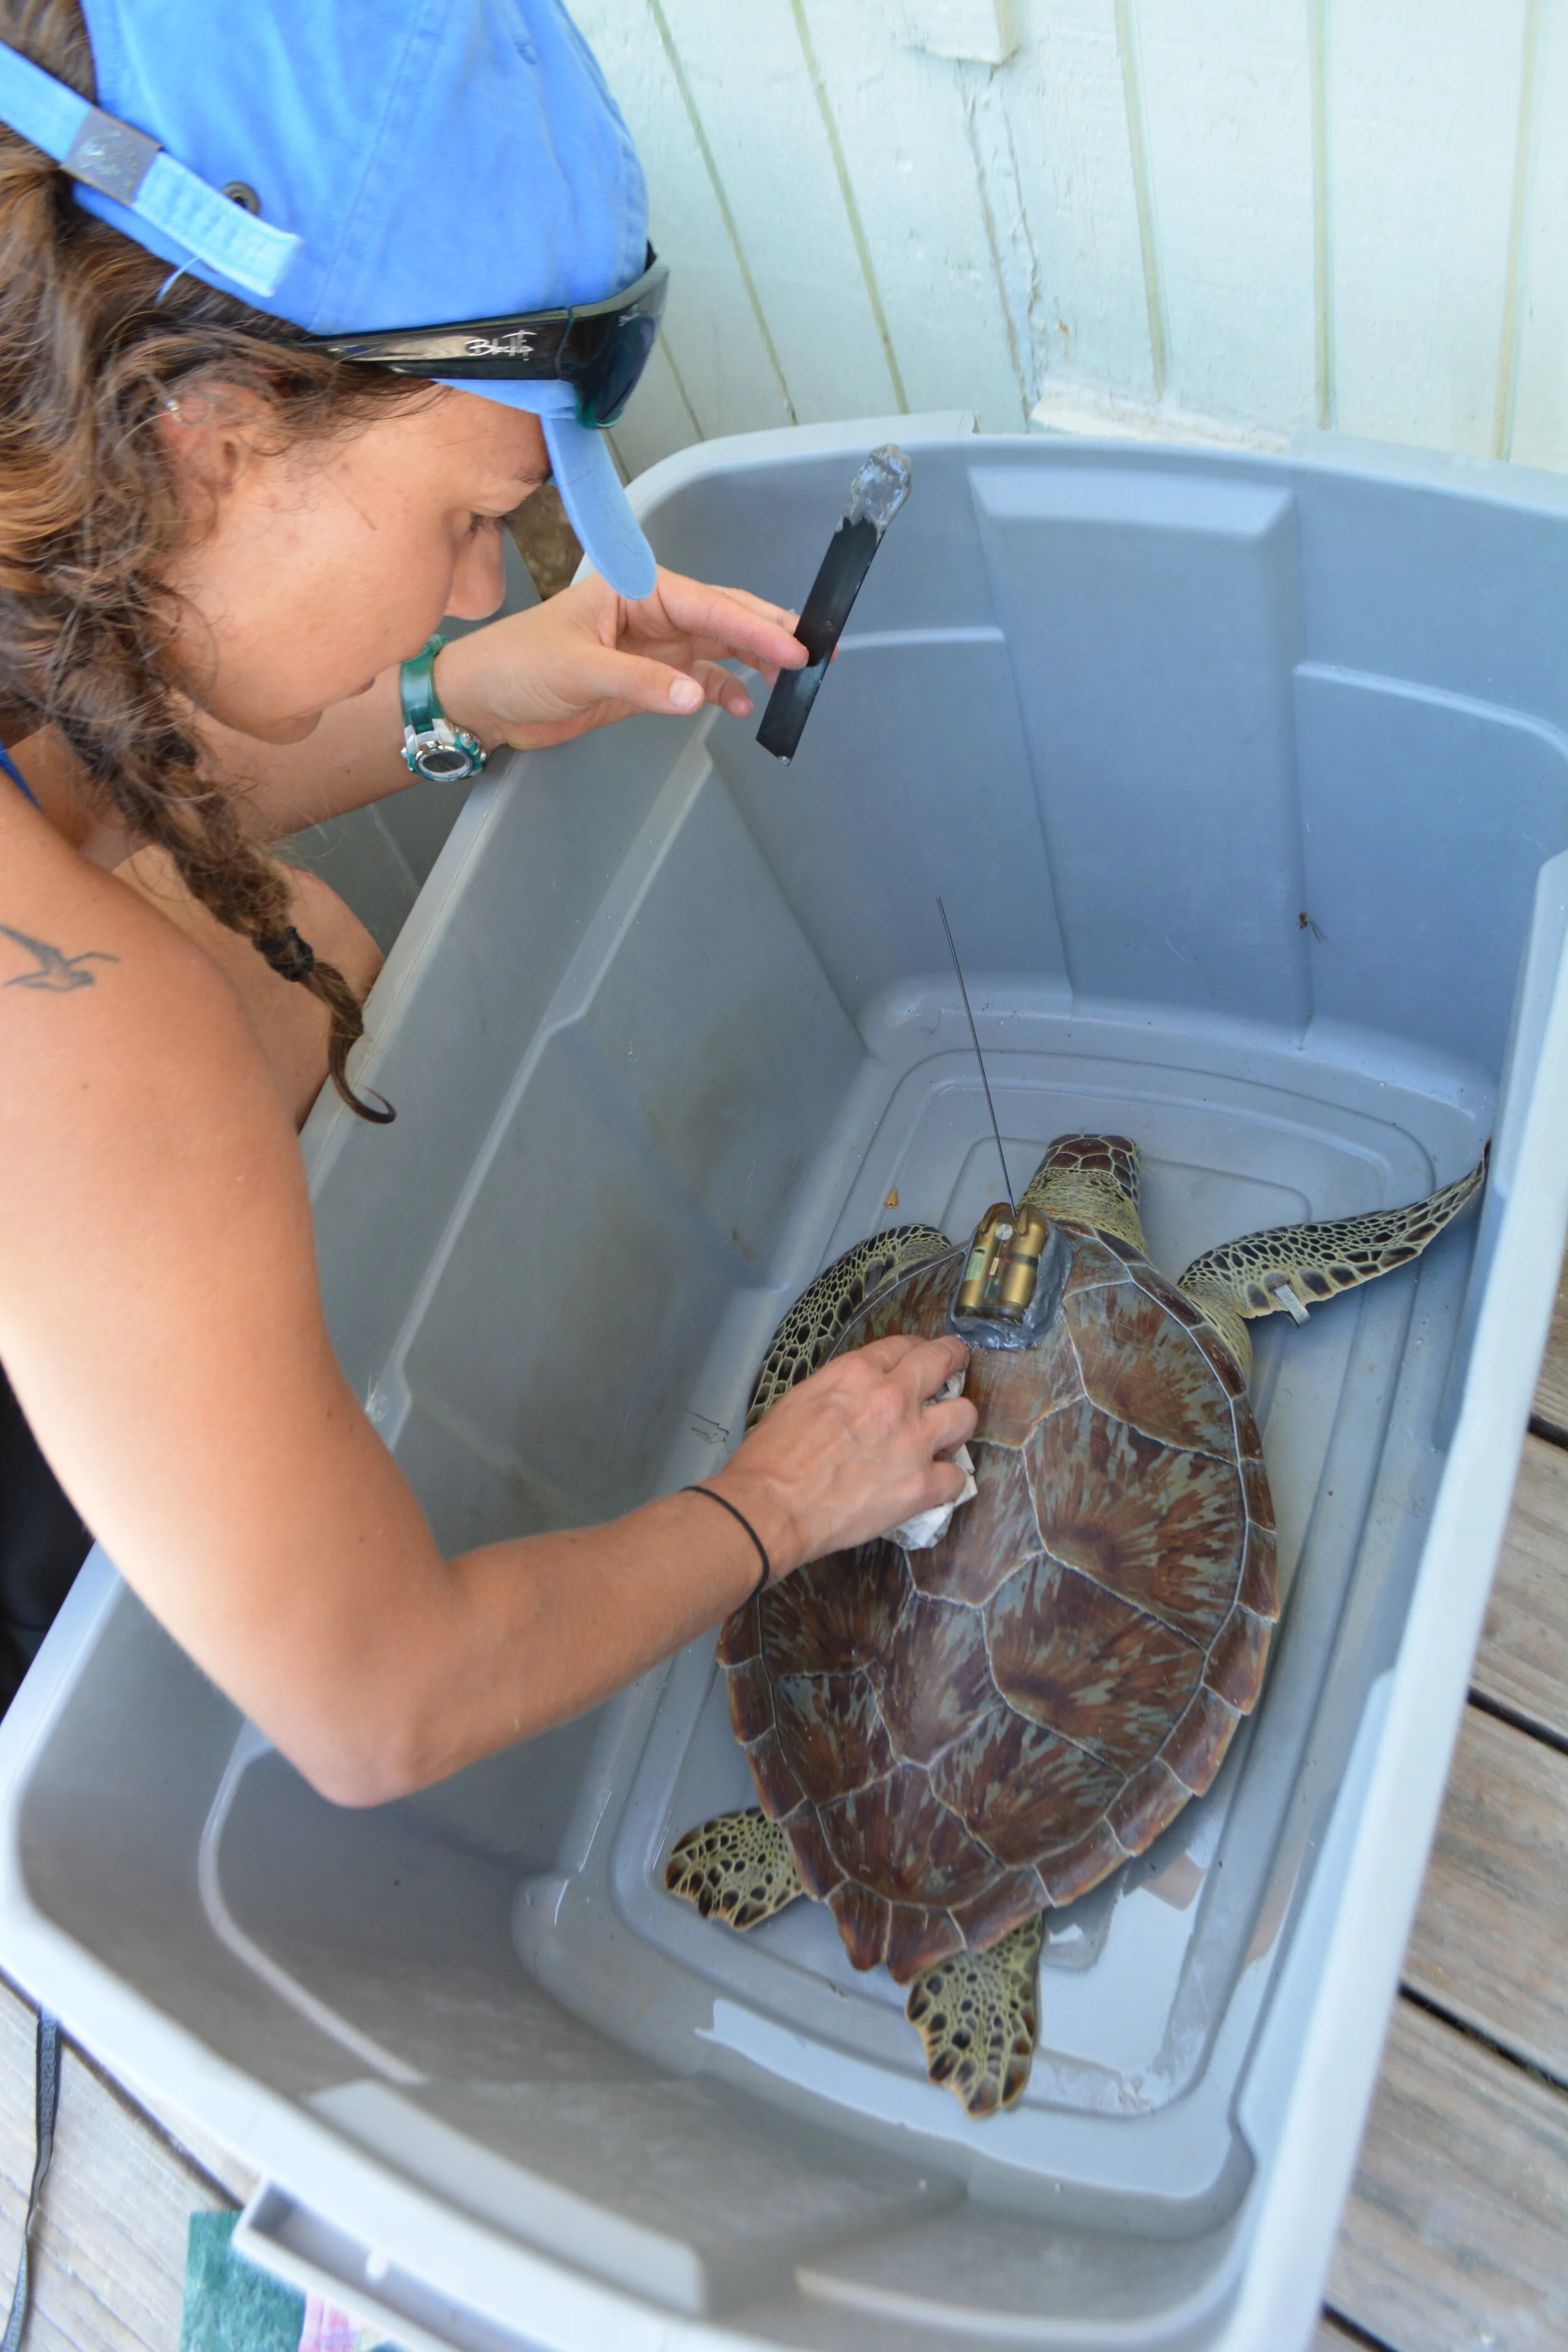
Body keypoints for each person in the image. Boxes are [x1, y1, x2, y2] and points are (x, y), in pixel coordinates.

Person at [0, 0, 975, 1797]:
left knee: (302, 960)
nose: (482, 583)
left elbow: (83, 791)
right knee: (232, 1004)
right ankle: (117, 1647)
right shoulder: (76, 1039)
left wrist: (463, 696)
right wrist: (777, 1498)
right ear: (206, 436)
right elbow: (385, 1710)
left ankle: (197, 1434)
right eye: (473, 519)